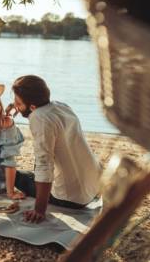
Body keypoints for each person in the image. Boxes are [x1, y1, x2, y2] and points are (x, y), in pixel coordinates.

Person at [7, 75, 102, 223]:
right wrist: (17, 108)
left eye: (18, 103)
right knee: (32, 172)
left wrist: (39, 210)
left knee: (15, 176)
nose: (15, 105)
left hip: (71, 198)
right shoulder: (61, 106)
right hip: (93, 187)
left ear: (32, 106)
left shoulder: (40, 119)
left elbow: (44, 165)